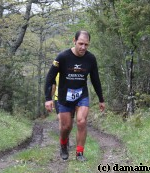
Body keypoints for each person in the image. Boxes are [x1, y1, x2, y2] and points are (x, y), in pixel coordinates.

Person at [45, 30, 105, 162]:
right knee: (66, 126)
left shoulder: (90, 58)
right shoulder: (62, 57)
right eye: (80, 43)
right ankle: (63, 144)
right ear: (74, 41)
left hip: (81, 94)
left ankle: (79, 153)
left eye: (86, 44)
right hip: (64, 95)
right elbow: (49, 78)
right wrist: (48, 99)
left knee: (82, 121)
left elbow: (95, 79)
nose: (83, 47)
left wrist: (101, 99)